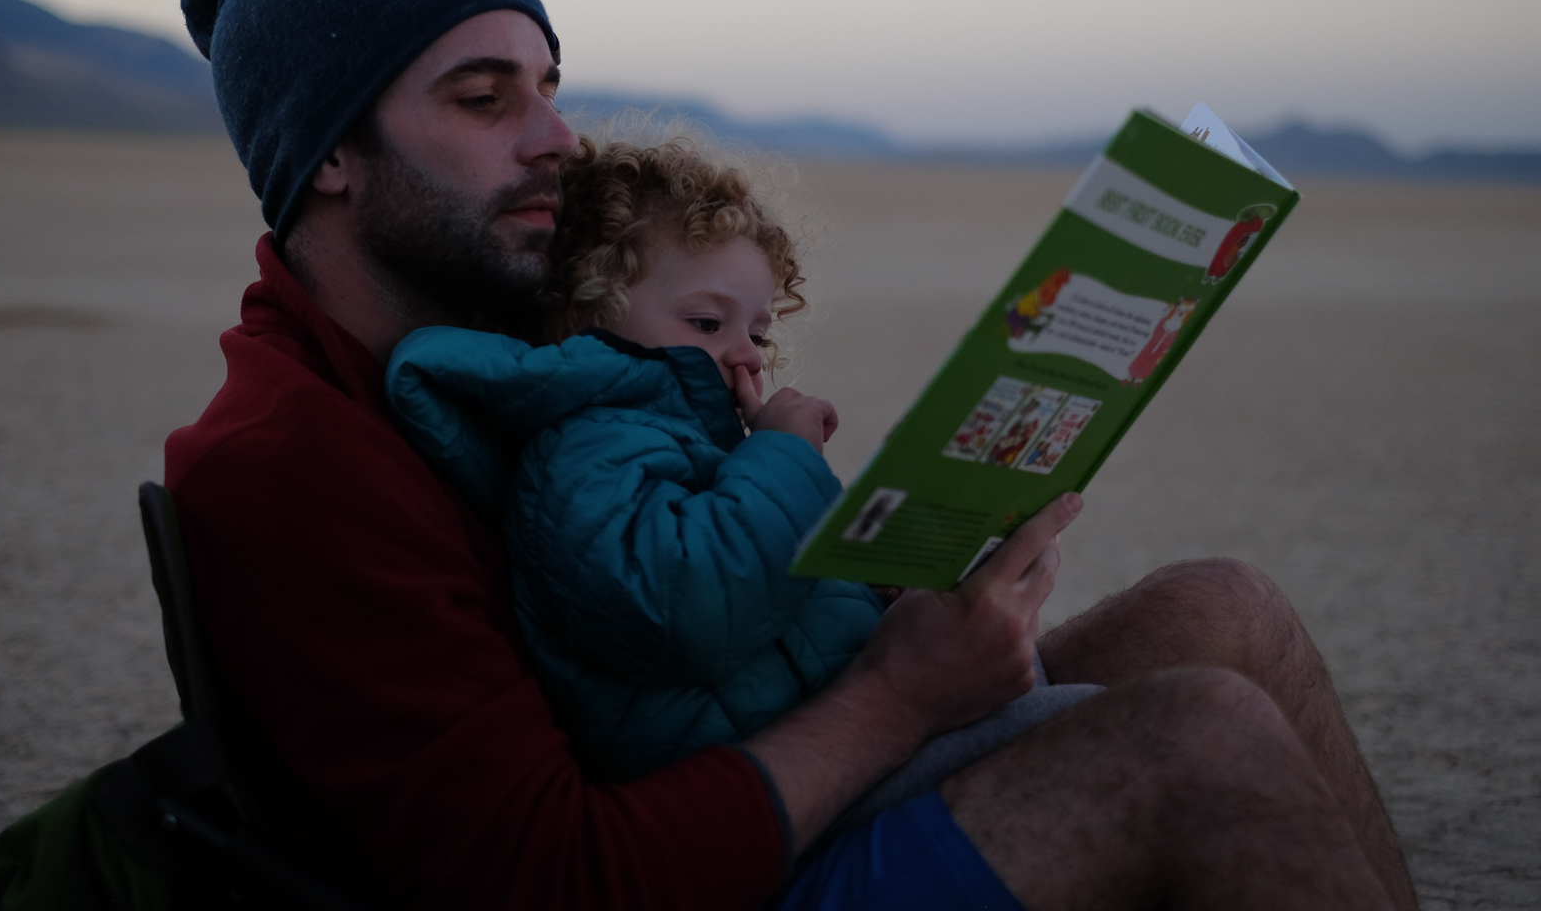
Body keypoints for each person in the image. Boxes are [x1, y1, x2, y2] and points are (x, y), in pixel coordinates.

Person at [165, 0, 1418, 910]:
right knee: (1198, 740)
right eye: (485, 100)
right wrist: (902, 696)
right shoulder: (296, 461)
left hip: (754, 760)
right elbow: (556, 877)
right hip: (681, 869)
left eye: (550, 86)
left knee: (1226, 611)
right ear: (331, 152)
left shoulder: (516, 327)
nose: (558, 138)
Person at [383, 137, 1099, 790]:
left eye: (757, 332)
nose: (746, 355)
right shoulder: (580, 451)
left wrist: (871, 581)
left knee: (1088, 711)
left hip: (840, 738)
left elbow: (774, 589)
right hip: (788, 780)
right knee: (1107, 733)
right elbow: (689, 605)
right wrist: (783, 455)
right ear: (582, 313)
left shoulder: (696, 441)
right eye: (706, 322)